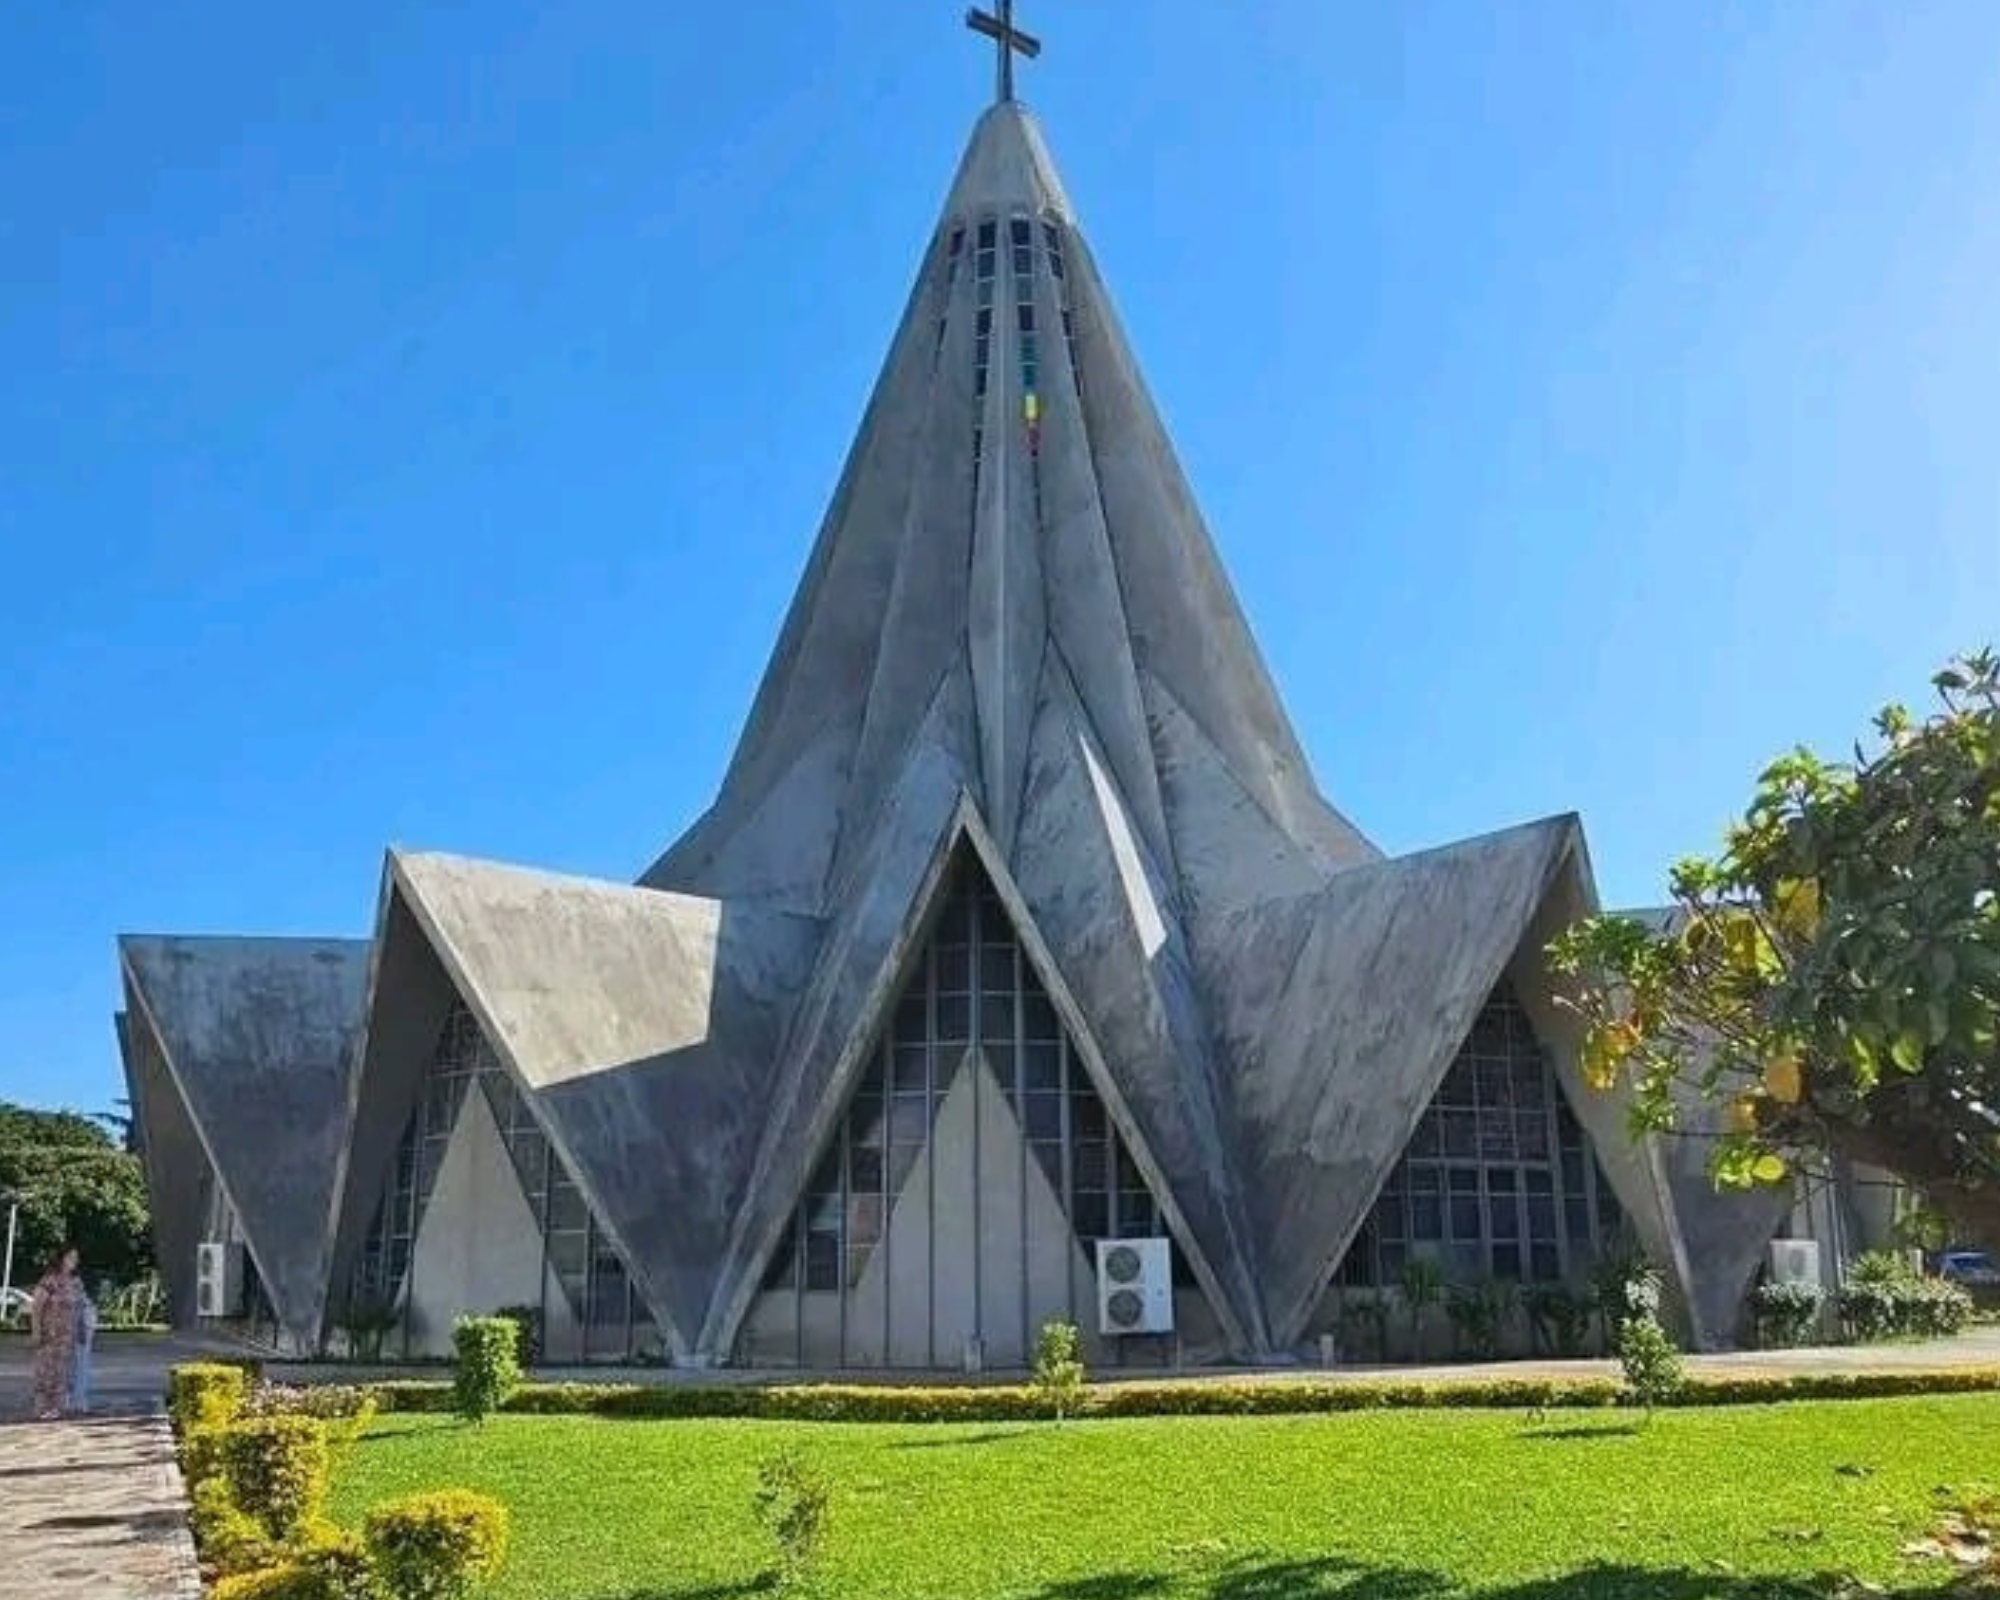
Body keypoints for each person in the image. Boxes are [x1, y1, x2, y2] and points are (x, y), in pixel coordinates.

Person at [28, 1245, 83, 1421]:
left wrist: (81, 1329)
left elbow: (79, 1308)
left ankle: (58, 1408)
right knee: (46, 1371)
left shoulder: (74, 1282)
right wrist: (36, 1332)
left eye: (76, 1258)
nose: (75, 1261)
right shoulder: (48, 1281)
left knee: (63, 1372)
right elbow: (36, 1308)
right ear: (61, 1259)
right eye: (71, 1257)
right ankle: (42, 1408)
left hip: (68, 1337)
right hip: (49, 1336)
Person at [69, 1279, 99, 1415]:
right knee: (79, 1371)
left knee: (80, 1371)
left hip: (83, 1340)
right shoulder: (78, 1300)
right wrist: (81, 1332)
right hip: (80, 1340)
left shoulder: (81, 1299)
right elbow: (80, 1321)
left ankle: (78, 1403)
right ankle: (78, 1404)